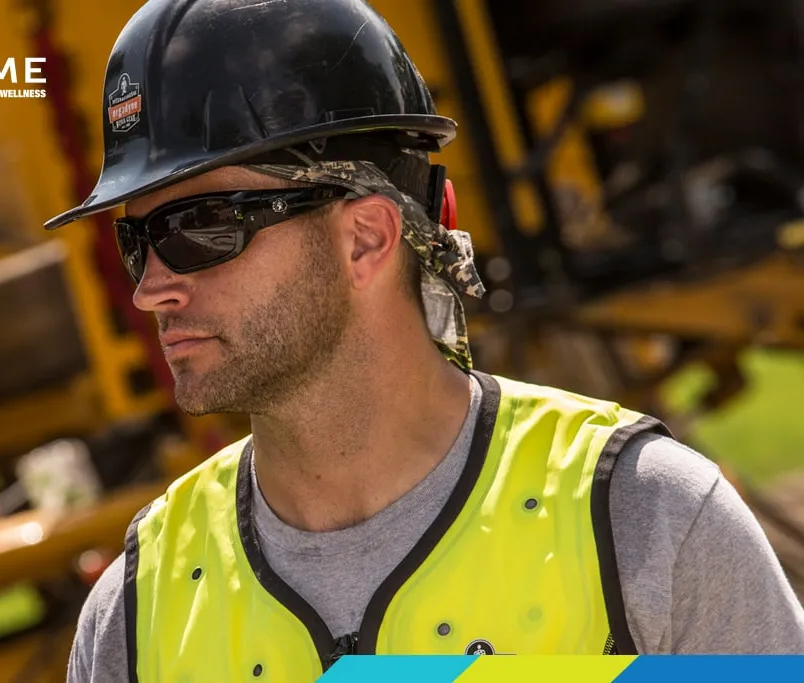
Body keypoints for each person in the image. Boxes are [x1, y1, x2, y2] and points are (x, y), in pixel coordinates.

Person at [44, 0, 804, 680]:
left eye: (200, 229)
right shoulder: (135, 616)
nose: (152, 288)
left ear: (366, 238)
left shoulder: (646, 523)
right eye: (137, 240)